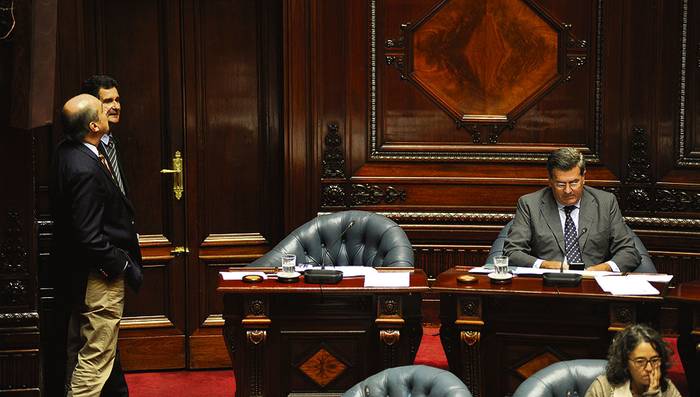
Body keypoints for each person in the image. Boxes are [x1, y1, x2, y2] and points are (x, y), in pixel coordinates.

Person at [50, 94, 142, 396]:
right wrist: (121, 264)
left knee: (79, 347)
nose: (109, 111)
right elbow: (88, 235)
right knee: (96, 357)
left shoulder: (69, 151)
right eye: (102, 108)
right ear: (93, 125)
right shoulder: (84, 168)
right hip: (98, 277)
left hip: (77, 273)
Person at [504, 147, 640, 272]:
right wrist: (546, 265)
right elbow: (512, 252)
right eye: (560, 184)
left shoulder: (606, 202)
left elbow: (629, 252)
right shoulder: (529, 204)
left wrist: (602, 269)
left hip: (593, 286)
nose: (568, 190)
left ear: (584, 177)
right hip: (548, 285)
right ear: (550, 180)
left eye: (574, 182)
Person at [81, 75, 132, 396]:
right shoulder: (81, 153)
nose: (114, 106)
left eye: (117, 100)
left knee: (106, 336)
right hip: (99, 257)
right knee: (97, 341)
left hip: (116, 248)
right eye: (107, 102)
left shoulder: (110, 143)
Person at [585, 324, 682, 397]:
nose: (649, 368)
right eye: (640, 361)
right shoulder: (602, 389)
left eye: (654, 360)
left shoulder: (667, 389)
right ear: (625, 362)